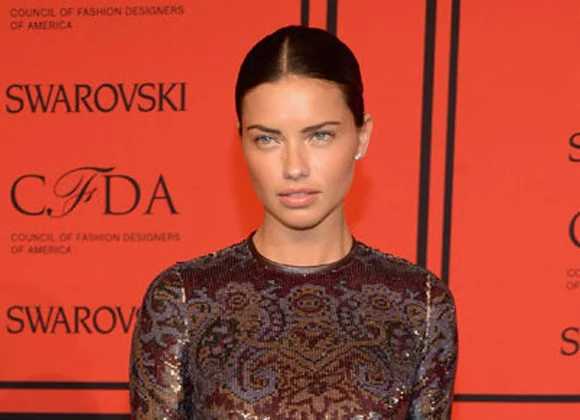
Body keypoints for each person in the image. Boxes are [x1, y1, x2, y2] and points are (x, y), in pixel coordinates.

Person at [129, 25, 458, 419]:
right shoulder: (183, 299)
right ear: (241, 141)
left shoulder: (420, 303)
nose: (294, 167)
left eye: (319, 136)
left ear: (362, 136)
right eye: (267, 139)